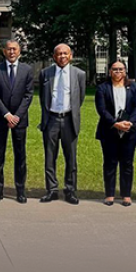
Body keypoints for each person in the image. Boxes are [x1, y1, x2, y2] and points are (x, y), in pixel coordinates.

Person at [38, 43, 86, 205]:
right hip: (51, 119)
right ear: (54, 56)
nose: (62, 56)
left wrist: (70, 113)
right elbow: (43, 98)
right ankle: (51, 190)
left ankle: (70, 190)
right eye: (59, 54)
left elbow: (80, 97)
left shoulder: (79, 74)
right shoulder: (45, 73)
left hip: (69, 119)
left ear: (70, 56)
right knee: (50, 157)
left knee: (71, 158)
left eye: (65, 54)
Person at [0, 40, 33, 204]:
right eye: (9, 49)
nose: (12, 52)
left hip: (19, 120)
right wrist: (6, 114)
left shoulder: (27, 70)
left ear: (19, 51)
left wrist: (17, 116)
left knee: (20, 155)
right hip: (1, 119)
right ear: (4, 51)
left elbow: (28, 95)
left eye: (14, 49)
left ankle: (20, 191)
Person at [94, 60, 136, 206]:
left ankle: (126, 195)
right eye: (114, 69)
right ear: (110, 71)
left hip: (129, 131)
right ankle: (109, 194)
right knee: (110, 162)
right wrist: (115, 123)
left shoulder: (134, 87)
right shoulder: (103, 88)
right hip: (109, 130)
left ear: (125, 71)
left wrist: (130, 122)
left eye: (121, 69)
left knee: (127, 163)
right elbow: (101, 109)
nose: (118, 72)